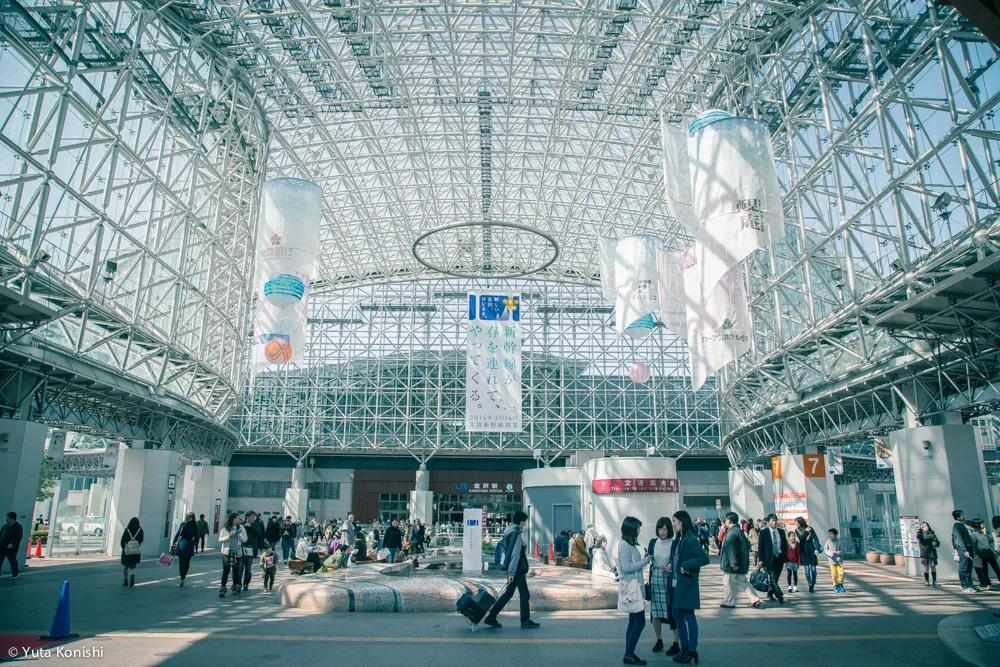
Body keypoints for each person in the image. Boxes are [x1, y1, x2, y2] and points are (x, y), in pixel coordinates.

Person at [482, 510, 540, 630]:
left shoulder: (509, 531)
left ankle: (491, 617)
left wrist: (523, 546)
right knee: (525, 594)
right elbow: (515, 555)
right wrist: (512, 573)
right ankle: (525, 621)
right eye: (525, 521)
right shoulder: (516, 533)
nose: (525, 523)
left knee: (508, 594)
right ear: (521, 521)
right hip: (517, 569)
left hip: (512, 568)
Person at [669, 511, 709, 665]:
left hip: (685, 584)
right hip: (676, 583)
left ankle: (692, 649)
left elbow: (704, 558)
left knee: (688, 616)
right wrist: (671, 564)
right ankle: (684, 647)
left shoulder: (691, 539)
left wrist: (687, 565)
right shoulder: (679, 539)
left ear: (682, 522)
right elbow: (677, 558)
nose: (673, 524)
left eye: (675, 521)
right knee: (677, 616)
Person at [618, 516, 652, 665]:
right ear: (631, 529)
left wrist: (643, 559)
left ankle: (629, 652)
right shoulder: (624, 545)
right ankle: (628, 654)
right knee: (639, 622)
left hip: (634, 588)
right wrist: (644, 561)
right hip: (632, 589)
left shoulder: (629, 544)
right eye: (638, 527)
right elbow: (626, 567)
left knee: (633, 622)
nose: (639, 530)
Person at [648, 517, 680, 657]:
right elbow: (650, 558)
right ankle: (659, 640)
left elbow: (676, 560)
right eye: (660, 529)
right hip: (655, 579)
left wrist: (670, 565)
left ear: (669, 530)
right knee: (655, 613)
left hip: (668, 580)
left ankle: (676, 643)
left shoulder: (674, 544)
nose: (662, 532)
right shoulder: (653, 542)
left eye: (665, 529)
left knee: (672, 612)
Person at [719, 512, 761, 609]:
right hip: (741, 563)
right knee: (743, 582)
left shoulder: (731, 533)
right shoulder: (739, 531)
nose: (725, 522)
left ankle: (729, 602)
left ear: (729, 521)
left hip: (731, 564)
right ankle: (755, 599)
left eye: (726, 520)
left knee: (728, 583)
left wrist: (733, 563)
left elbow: (732, 549)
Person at [757, 514, 788, 604]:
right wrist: (761, 559)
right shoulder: (764, 533)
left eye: (775, 520)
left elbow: (784, 545)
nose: (774, 522)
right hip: (769, 559)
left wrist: (785, 557)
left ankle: (770, 593)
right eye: (772, 521)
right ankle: (779, 595)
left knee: (776, 578)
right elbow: (761, 547)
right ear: (768, 522)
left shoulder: (781, 532)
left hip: (779, 558)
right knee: (773, 578)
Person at [219, 513, 246, 597]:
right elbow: (220, 539)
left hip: (237, 552)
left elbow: (245, 540)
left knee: (236, 571)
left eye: (238, 518)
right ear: (231, 519)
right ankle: (223, 588)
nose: (237, 520)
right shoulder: (225, 528)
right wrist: (229, 536)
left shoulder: (241, 528)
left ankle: (234, 587)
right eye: (235, 518)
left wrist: (239, 536)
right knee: (226, 571)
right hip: (227, 552)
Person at [952, 509, 977, 592]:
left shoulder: (961, 525)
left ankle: (970, 584)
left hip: (967, 548)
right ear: (957, 517)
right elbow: (959, 540)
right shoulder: (957, 526)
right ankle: (965, 586)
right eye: (962, 515)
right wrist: (965, 550)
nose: (963, 516)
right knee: (964, 567)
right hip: (963, 549)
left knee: (968, 567)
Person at [794, 517, 821, 593]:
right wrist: (806, 531)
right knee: (807, 569)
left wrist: (817, 549)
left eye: (796, 522)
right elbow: (801, 538)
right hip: (804, 551)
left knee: (813, 569)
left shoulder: (810, 528)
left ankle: (813, 582)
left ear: (800, 522)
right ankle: (810, 583)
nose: (795, 524)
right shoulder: (797, 530)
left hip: (812, 550)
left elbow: (816, 539)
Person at [171, 512, 199, 587]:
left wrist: (173, 544)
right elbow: (197, 537)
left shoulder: (183, 524)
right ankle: (184, 577)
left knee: (182, 563)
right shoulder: (195, 525)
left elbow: (177, 535)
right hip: (190, 544)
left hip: (182, 544)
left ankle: (182, 578)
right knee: (187, 562)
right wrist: (194, 544)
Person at [971, 519, 1000, 590]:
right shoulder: (974, 534)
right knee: (984, 570)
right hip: (981, 554)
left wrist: (985, 533)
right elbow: (974, 545)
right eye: (982, 523)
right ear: (978, 524)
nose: (983, 525)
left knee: (996, 568)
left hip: (989, 553)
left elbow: (991, 540)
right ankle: (987, 584)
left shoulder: (985, 532)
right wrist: (976, 555)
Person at [242, 511, 263, 590]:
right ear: (247, 517)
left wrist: (250, 526)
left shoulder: (256, 525)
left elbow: (259, 533)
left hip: (251, 548)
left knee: (248, 568)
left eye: (255, 517)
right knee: (240, 567)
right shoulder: (242, 525)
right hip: (242, 547)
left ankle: (246, 583)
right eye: (252, 517)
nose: (254, 518)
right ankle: (238, 584)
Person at [120, 517, 144, 587]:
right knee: (133, 566)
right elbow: (141, 540)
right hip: (135, 551)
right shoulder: (140, 530)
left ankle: (125, 581)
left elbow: (122, 540)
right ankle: (132, 575)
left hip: (127, 551)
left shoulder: (127, 530)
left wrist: (123, 547)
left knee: (126, 566)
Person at [916, 522, 940, 586]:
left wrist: (935, 543)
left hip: (932, 552)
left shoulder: (932, 533)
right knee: (926, 567)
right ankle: (927, 581)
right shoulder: (921, 534)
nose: (926, 527)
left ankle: (934, 581)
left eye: (926, 526)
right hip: (925, 553)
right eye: (924, 526)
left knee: (933, 567)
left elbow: (938, 542)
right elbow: (918, 537)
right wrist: (920, 529)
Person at [1, 512, 24, 579]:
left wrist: (12, 543)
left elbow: (19, 537)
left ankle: (15, 574)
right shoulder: (5, 526)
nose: (6, 519)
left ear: (12, 519)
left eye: (7, 518)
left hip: (12, 548)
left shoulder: (18, 527)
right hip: (2, 546)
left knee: (12, 560)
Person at [823, 528, 845, 592]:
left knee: (841, 573)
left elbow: (843, 550)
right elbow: (825, 550)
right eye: (829, 534)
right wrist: (830, 554)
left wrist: (836, 552)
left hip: (839, 560)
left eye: (831, 534)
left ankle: (840, 584)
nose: (830, 535)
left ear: (835, 535)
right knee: (834, 574)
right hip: (832, 561)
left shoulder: (839, 541)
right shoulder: (828, 542)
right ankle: (835, 586)